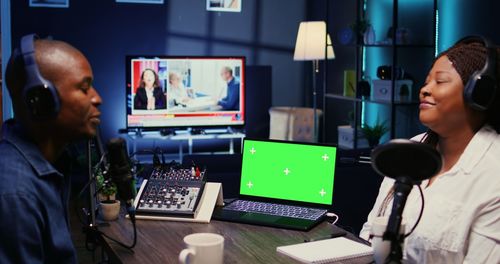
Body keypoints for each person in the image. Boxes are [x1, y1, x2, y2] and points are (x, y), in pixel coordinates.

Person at [359, 36, 500, 263]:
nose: (424, 89)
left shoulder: (494, 175)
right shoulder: (407, 151)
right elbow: (370, 232)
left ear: (478, 93)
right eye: (426, 81)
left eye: (440, 81)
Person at [0, 35, 102, 263]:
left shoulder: (49, 166)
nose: (98, 98)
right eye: (84, 88)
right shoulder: (15, 195)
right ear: (41, 101)